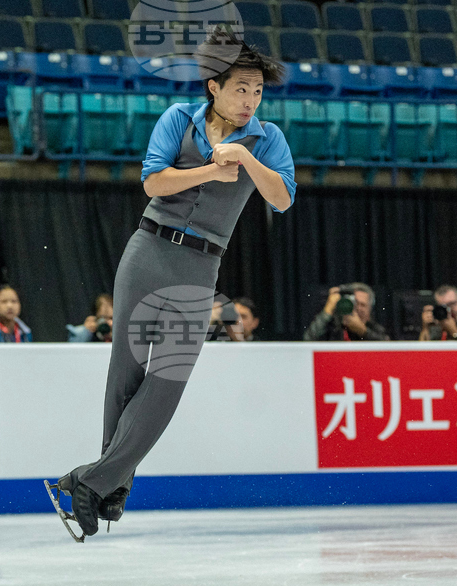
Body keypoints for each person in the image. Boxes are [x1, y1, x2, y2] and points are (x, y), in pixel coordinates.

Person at [52, 27, 294, 539]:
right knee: (128, 371)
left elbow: (283, 198)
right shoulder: (178, 119)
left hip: (200, 267)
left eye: (257, 92)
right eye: (240, 90)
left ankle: (90, 481)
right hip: (148, 251)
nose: (250, 101)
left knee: (167, 384)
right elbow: (153, 181)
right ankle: (108, 485)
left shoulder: (268, 138)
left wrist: (246, 159)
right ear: (214, 87)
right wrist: (208, 170)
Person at [304, 283, 389, 341]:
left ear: (370, 309)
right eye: (355, 303)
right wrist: (328, 310)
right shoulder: (334, 327)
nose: (358, 308)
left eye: (362, 305)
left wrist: (363, 331)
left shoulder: (375, 329)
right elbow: (308, 338)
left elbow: (389, 347)